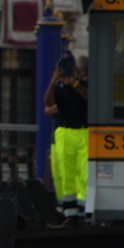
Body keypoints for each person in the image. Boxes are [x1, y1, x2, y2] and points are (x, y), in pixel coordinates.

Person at [44, 53, 89, 213]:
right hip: (64, 132)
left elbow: (89, 98)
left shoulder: (83, 84)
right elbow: (48, 103)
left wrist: (75, 83)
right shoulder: (58, 87)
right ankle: (70, 212)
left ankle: (84, 209)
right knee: (66, 173)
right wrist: (53, 80)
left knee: (84, 172)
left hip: (83, 131)